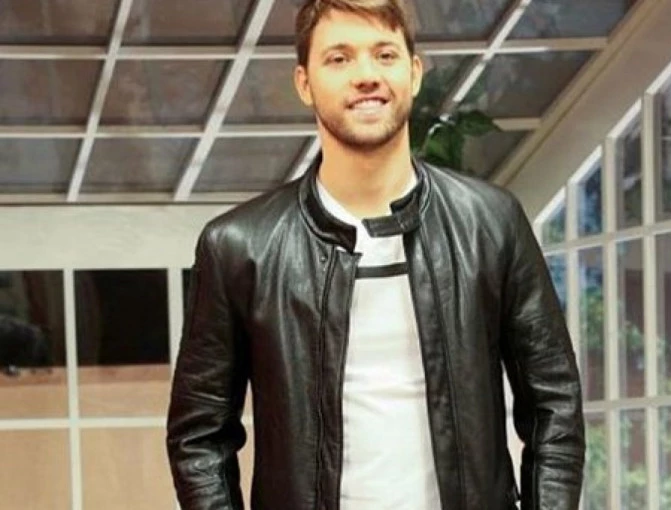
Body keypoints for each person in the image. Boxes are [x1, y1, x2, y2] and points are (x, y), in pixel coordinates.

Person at [166, 0, 585, 508]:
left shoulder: (491, 223)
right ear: (304, 83)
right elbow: (200, 438)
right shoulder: (239, 246)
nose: (366, 75)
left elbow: (554, 405)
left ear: (414, 72)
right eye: (339, 58)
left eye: (384, 55)